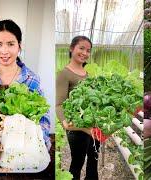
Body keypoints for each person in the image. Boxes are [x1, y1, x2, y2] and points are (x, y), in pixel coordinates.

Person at [0, 19, 51, 149]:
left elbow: (43, 120)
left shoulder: (31, 79)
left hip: (21, 149)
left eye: (10, 44)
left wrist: (40, 143)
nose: (4, 51)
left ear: (19, 46)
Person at [56, 36, 100, 180]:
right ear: (71, 48)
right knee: (77, 163)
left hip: (94, 125)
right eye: (81, 48)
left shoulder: (88, 74)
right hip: (77, 127)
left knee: (94, 160)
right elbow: (59, 104)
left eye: (88, 50)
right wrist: (65, 123)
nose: (85, 53)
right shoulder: (64, 74)